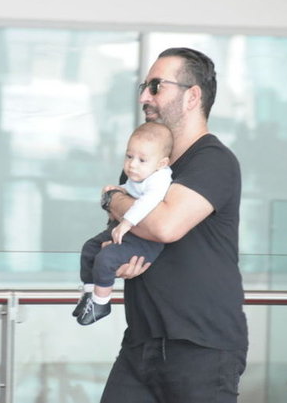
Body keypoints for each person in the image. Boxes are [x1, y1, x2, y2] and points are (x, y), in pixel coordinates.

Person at [100, 47, 248, 403]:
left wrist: (111, 198)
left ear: (192, 96)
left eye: (155, 86)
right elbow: (118, 232)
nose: (144, 97)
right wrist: (118, 234)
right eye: (144, 87)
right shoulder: (142, 164)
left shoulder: (213, 161)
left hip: (201, 348)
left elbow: (164, 226)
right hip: (141, 341)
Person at [73, 122, 174, 326]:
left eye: (141, 160)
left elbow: (147, 202)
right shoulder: (141, 174)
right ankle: (90, 293)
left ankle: (101, 304)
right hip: (128, 233)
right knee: (90, 248)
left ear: (161, 163)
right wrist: (119, 190)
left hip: (145, 241)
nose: (132, 164)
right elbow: (131, 191)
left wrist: (125, 222)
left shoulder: (160, 179)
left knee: (106, 258)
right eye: (129, 156)